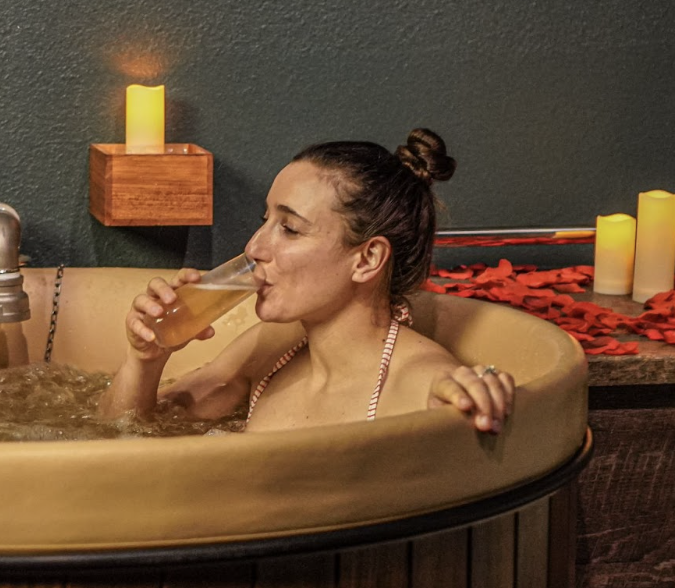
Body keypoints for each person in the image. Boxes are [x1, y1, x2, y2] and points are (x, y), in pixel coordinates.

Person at [99, 128, 515, 433]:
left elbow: (455, 403)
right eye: (266, 221)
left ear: (367, 259)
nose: (255, 247)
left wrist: (469, 397)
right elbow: (125, 433)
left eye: (290, 229)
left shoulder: (418, 380)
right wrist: (147, 359)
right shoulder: (272, 348)